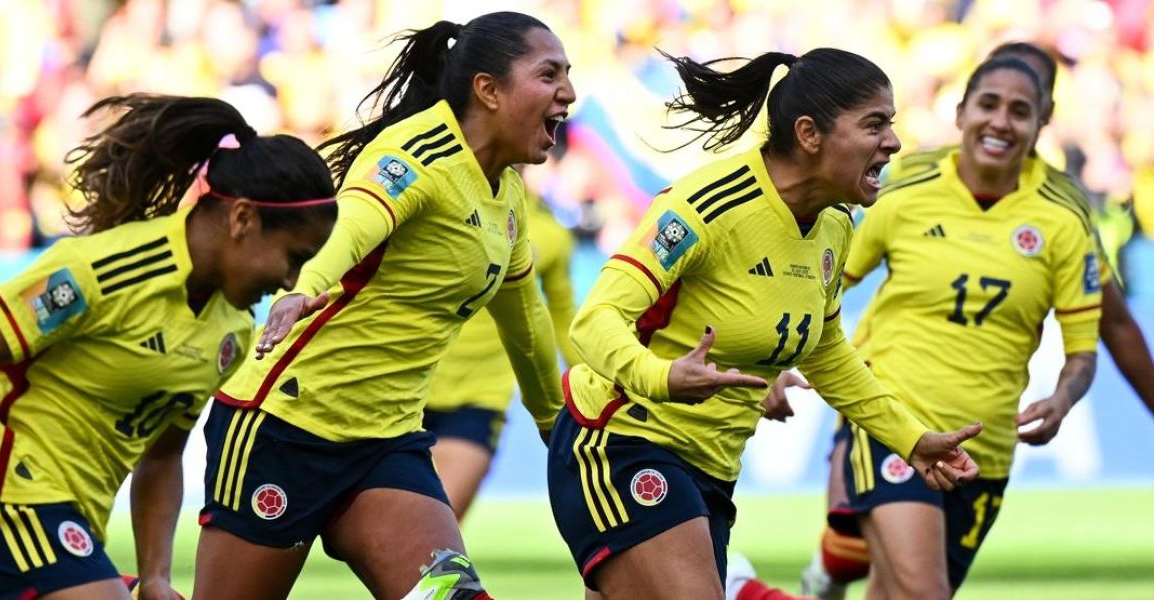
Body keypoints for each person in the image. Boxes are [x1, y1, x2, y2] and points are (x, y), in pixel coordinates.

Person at [545, 47, 983, 600]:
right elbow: (596, 320)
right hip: (621, 442)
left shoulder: (833, 224)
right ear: (809, 133)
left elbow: (824, 349)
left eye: (892, 124)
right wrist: (662, 377)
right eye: (874, 124)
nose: (893, 142)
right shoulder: (707, 206)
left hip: (712, 471)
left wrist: (911, 440)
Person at [191, 12, 575, 600]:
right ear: (489, 90)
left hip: (386, 445)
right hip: (284, 425)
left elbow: (526, 326)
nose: (568, 94)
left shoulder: (509, 199)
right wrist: (300, 289)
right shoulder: (418, 155)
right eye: (549, 75)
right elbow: (348, 227)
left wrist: (560, 429)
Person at [789, 42, 1153, 600]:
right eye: (988, 103)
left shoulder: (1063, 214)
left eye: (1020, 109)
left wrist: (1061, 399)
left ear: (1042, 122)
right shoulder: (905, 184)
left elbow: (1098, 337)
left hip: (982, 449)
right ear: (960, 112)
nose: (1000, 121)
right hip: (892, 417)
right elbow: (825, 280)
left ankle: (767, 586)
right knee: (922, 593)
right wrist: (773, 364)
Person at [0, 94, 337, 600]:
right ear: (243, 219)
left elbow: (161, 456)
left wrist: (155, 575)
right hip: (3, 496)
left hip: (75, 521)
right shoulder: (107, 270)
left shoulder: (231, 332)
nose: (291, 279)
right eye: (293, 257)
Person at [425, 187, 580, 521]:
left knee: (436, 533)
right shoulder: (437, 196)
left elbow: (563, 317)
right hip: (408, 385)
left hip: (480, 396)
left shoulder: (551, 234)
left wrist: (595, 386)